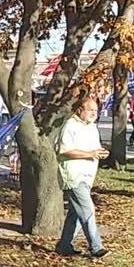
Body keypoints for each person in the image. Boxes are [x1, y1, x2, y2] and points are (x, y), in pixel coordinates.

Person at [55, 98, 109, 258]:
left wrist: (101, 152)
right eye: (90, 110)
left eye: (96, 111)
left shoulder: (92, 127)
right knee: (87, 210)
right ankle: (96, 247)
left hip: (88, 175)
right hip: (73, 175)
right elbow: (64, 150)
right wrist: (89, 154)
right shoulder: (70, 126)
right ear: (79, 110)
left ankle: (64, 246)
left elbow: (95, 148)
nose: (93, 113)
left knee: (76, 212)